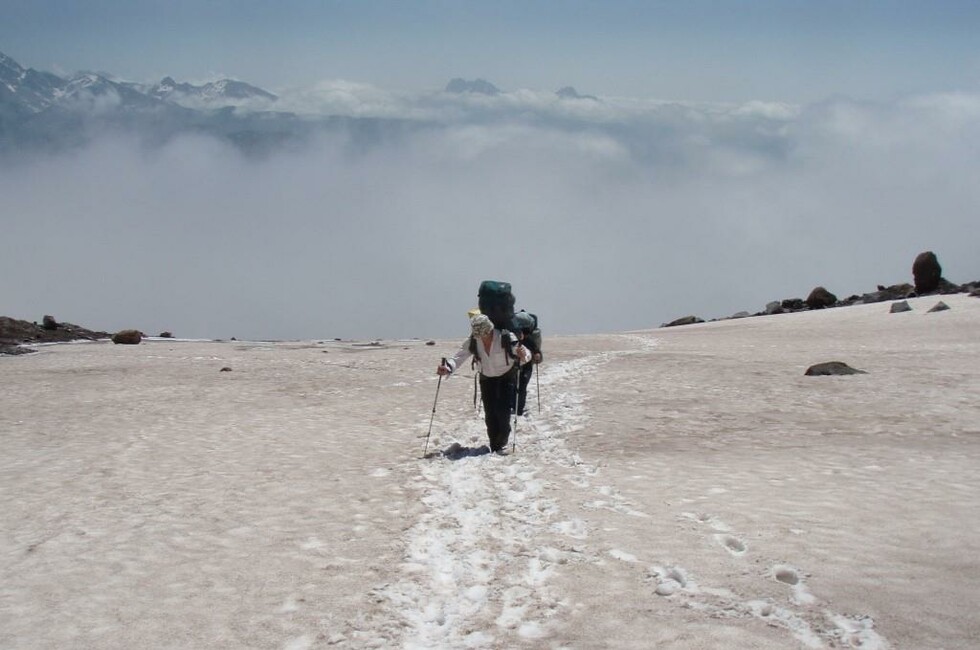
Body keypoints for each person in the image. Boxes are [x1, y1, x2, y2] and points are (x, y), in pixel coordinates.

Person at [437, 314, 531, 453]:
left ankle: (503, 438)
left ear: (490, 330)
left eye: (484, 334)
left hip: (506, 377)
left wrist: (524, 355)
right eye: (479, 334)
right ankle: (495, 445)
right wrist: (448, 368)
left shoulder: (506, 338)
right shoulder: (474, 341)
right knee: (490, 414)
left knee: (503, 412)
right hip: (486, 379)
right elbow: (460, 356)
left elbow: (525, 353)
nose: (482, 337)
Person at [513, 312, 543, 416]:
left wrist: (537, 355)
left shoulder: (529, 340)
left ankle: (519, 409)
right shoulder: (513, 340)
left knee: (521, 386)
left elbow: (537, 351)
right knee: (515, 387)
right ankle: (516, 407)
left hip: (526, 367)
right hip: (515, 367)